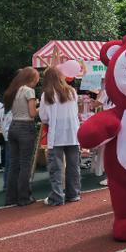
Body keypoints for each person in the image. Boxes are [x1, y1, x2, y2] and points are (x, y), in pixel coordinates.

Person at [39, 67, 81, 206]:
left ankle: (57, 197)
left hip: (56, 135)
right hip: (73, 133)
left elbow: (44, 117)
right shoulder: (72, 91)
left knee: (56, 168)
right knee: (73, 166)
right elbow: (75, 111)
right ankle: (73, 194)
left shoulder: (47, 94)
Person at [3, 67, 40, 206]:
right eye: (36, 78)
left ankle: (11, 197)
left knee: (14, 164)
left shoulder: (13, 90)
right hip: (26, 127)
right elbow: (32, 113)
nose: (37, 81)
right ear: (31, 78)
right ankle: (24, 197)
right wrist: (41, 106)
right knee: (25, 164)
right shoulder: (29, 91)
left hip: (13, 127)